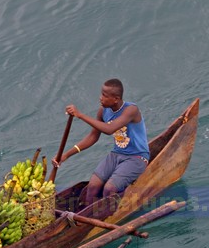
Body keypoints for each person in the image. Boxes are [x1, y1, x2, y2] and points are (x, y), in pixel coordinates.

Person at [52, 78, 149, 207]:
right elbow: (93, 136)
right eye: (101, 94)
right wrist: (66, 155)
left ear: (116, 99)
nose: (100, 98)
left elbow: (109, 129)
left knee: (109, 188)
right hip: (116, 154)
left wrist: (80, 115)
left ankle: (110, 212)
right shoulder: (103, 111)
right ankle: (88, 213)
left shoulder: (131, 110)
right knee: (92, 186)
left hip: (136, 158)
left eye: (104, 95)